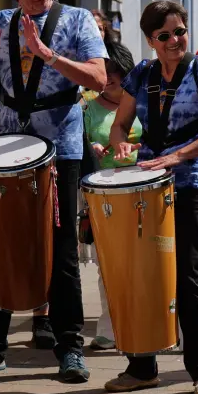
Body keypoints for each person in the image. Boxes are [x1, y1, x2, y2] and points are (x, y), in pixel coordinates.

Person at [0, 0, 106, 382]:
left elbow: (98, 77)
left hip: (62, 148)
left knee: (60, 251)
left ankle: (70, 347)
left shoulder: (76, 19)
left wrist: (49, 55)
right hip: (8, 148)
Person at [105, 1, 198, 394]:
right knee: (145, 276)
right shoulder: (141, 75)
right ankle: (142, 367)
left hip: (193, 182)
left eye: (180, 31)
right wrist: (121, 147)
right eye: (165, 35)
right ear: (150, 41)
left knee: (187, 277)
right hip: (147, 185)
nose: (175, 40)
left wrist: (179, 155)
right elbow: (120, 126)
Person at [81, 39, 141, 350]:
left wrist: (136, 148)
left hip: (144, 186)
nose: (111, 77)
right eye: (106, 70)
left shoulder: (142, 101)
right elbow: (80, 146)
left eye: (117, 70)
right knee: (110, 262)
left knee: (147, 258)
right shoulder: (87, 108)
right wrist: (89, 148)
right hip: (104, 190)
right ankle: (109, 324)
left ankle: (151, 320)